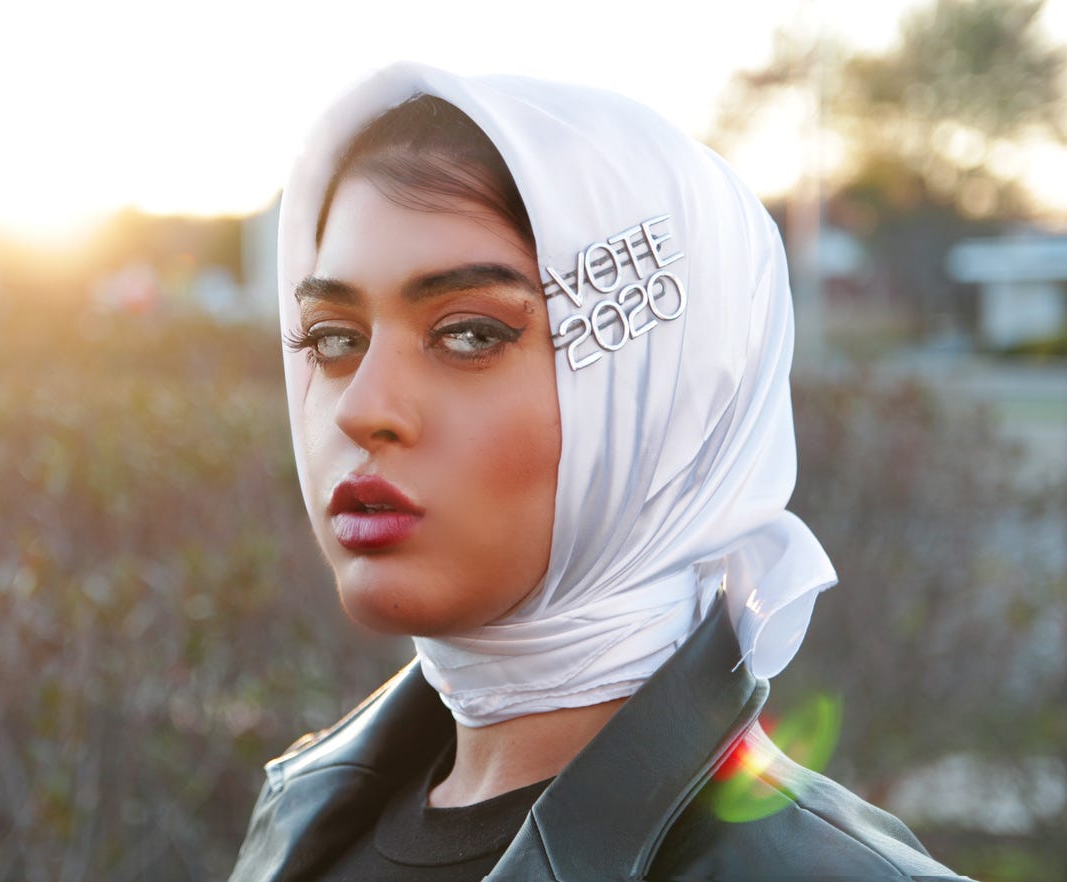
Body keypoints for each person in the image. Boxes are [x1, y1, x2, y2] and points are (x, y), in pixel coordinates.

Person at [230, 62, 970, 881]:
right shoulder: (301, 817)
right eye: (333, 338)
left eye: (469, 333)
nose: (359, 409)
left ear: (664, 397)